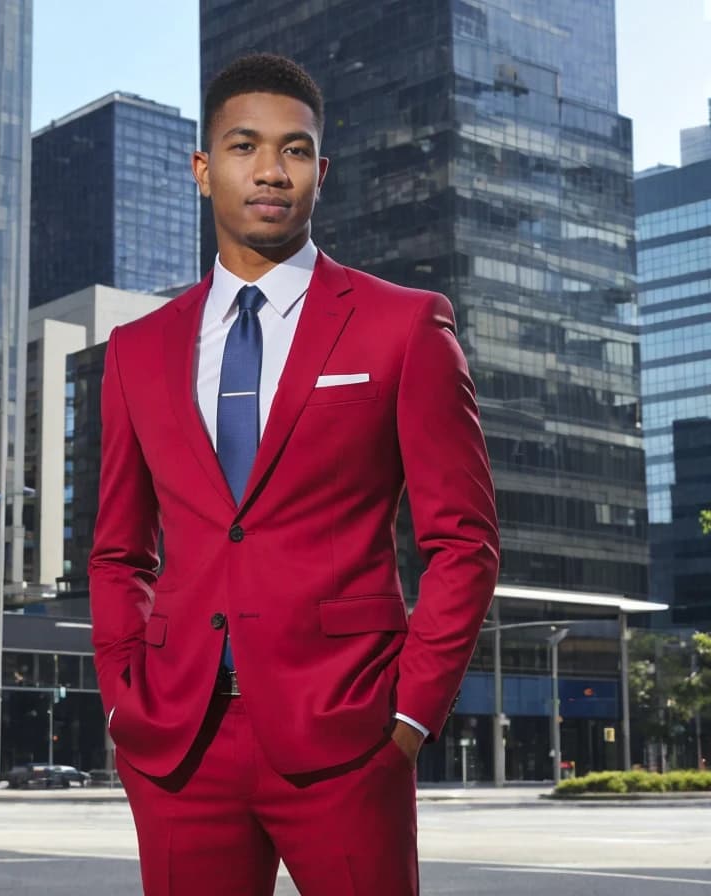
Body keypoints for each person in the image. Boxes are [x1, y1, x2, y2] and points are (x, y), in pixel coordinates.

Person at [89, 53, 499, 896]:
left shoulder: (404, 327)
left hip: (349, 735)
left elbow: (464, 543)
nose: (272, 170)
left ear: (320, 171)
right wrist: (123, 699)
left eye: (296, 149)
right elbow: (118, 553)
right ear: (204, 170)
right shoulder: (137, 351)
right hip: (179, 745)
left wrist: (411, 715)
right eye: (245, 147)